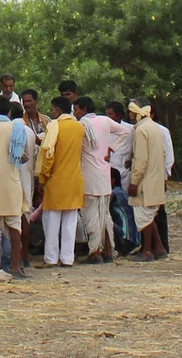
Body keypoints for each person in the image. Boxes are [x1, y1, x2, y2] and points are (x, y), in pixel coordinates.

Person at [0, 93, 30, 280]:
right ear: (9, 111)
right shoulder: (17, 127)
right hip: (11, 182)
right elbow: (22, 156)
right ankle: (15, 267)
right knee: (14, 227)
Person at [37, 95, 86, 266]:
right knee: (70, 222)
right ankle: (67, 258)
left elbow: (48, 153)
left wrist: (43, 177)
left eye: (52, 109)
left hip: (56, 180)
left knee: (52, 222)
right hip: (74, 180)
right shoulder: (79, 127)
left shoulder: (54, 126)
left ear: (57, 110)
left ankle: (51, 258)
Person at [76, 95, 117, 265]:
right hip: (104, 175)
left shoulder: (80, 125)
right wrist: (111, 148)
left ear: (84, 109)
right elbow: (126, 131)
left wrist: (111, 147)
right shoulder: (105, 121)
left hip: (90, 176)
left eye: (76, 109)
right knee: (104, 215)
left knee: (91, 215)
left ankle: (95, 252)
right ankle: (107, 251)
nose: (74, 113)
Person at [128, 101, 171, 260]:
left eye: (132, 112)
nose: (130, 116)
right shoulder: (154, 127)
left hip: (145, 180)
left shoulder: (141, 130)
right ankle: (158, 248)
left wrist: (134, 182)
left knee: (143, 215)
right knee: (149, 216)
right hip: (155, 178)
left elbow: (141, 160)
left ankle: (147, 251)